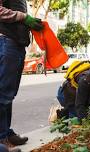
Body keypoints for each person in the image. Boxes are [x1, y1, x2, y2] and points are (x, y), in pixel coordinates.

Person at [0, 0, 43, 146]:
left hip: (15, 44)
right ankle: (1, 139)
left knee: (9, 94)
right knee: (3, 93)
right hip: (6, 42)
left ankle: (6, 132)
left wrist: (28, 23)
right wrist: (24, 17)